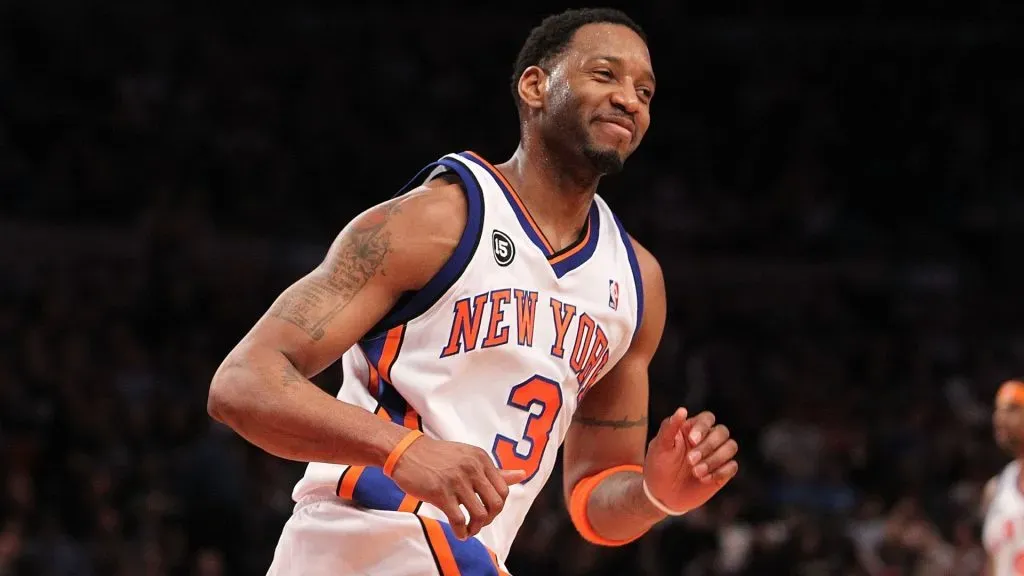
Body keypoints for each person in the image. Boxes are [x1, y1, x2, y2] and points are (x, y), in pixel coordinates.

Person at [207, 7, 739, 575]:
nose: (629, 99)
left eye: (645, 90)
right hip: (364, 537)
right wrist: (403, 449)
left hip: (467, 555)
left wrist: (656, 496)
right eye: (604, 75)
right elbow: (242, 383)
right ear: (535, 86)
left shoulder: (636, 281)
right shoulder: (435, 221)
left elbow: (593, 503)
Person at [983, 379, 1024, 576]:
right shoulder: (996, 488)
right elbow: (993, 563)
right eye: (997, 410)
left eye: (1012, 409)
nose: (1000, 418)